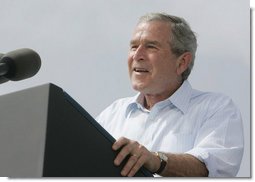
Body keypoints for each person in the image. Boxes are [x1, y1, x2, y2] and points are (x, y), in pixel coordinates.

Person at [96, 12, 244, 177]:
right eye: (133, 46)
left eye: (151, 46)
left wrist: (156, 160)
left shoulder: (216, 109)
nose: (137, 56)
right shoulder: (111, 114)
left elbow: (211, 168)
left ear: (182, 63)